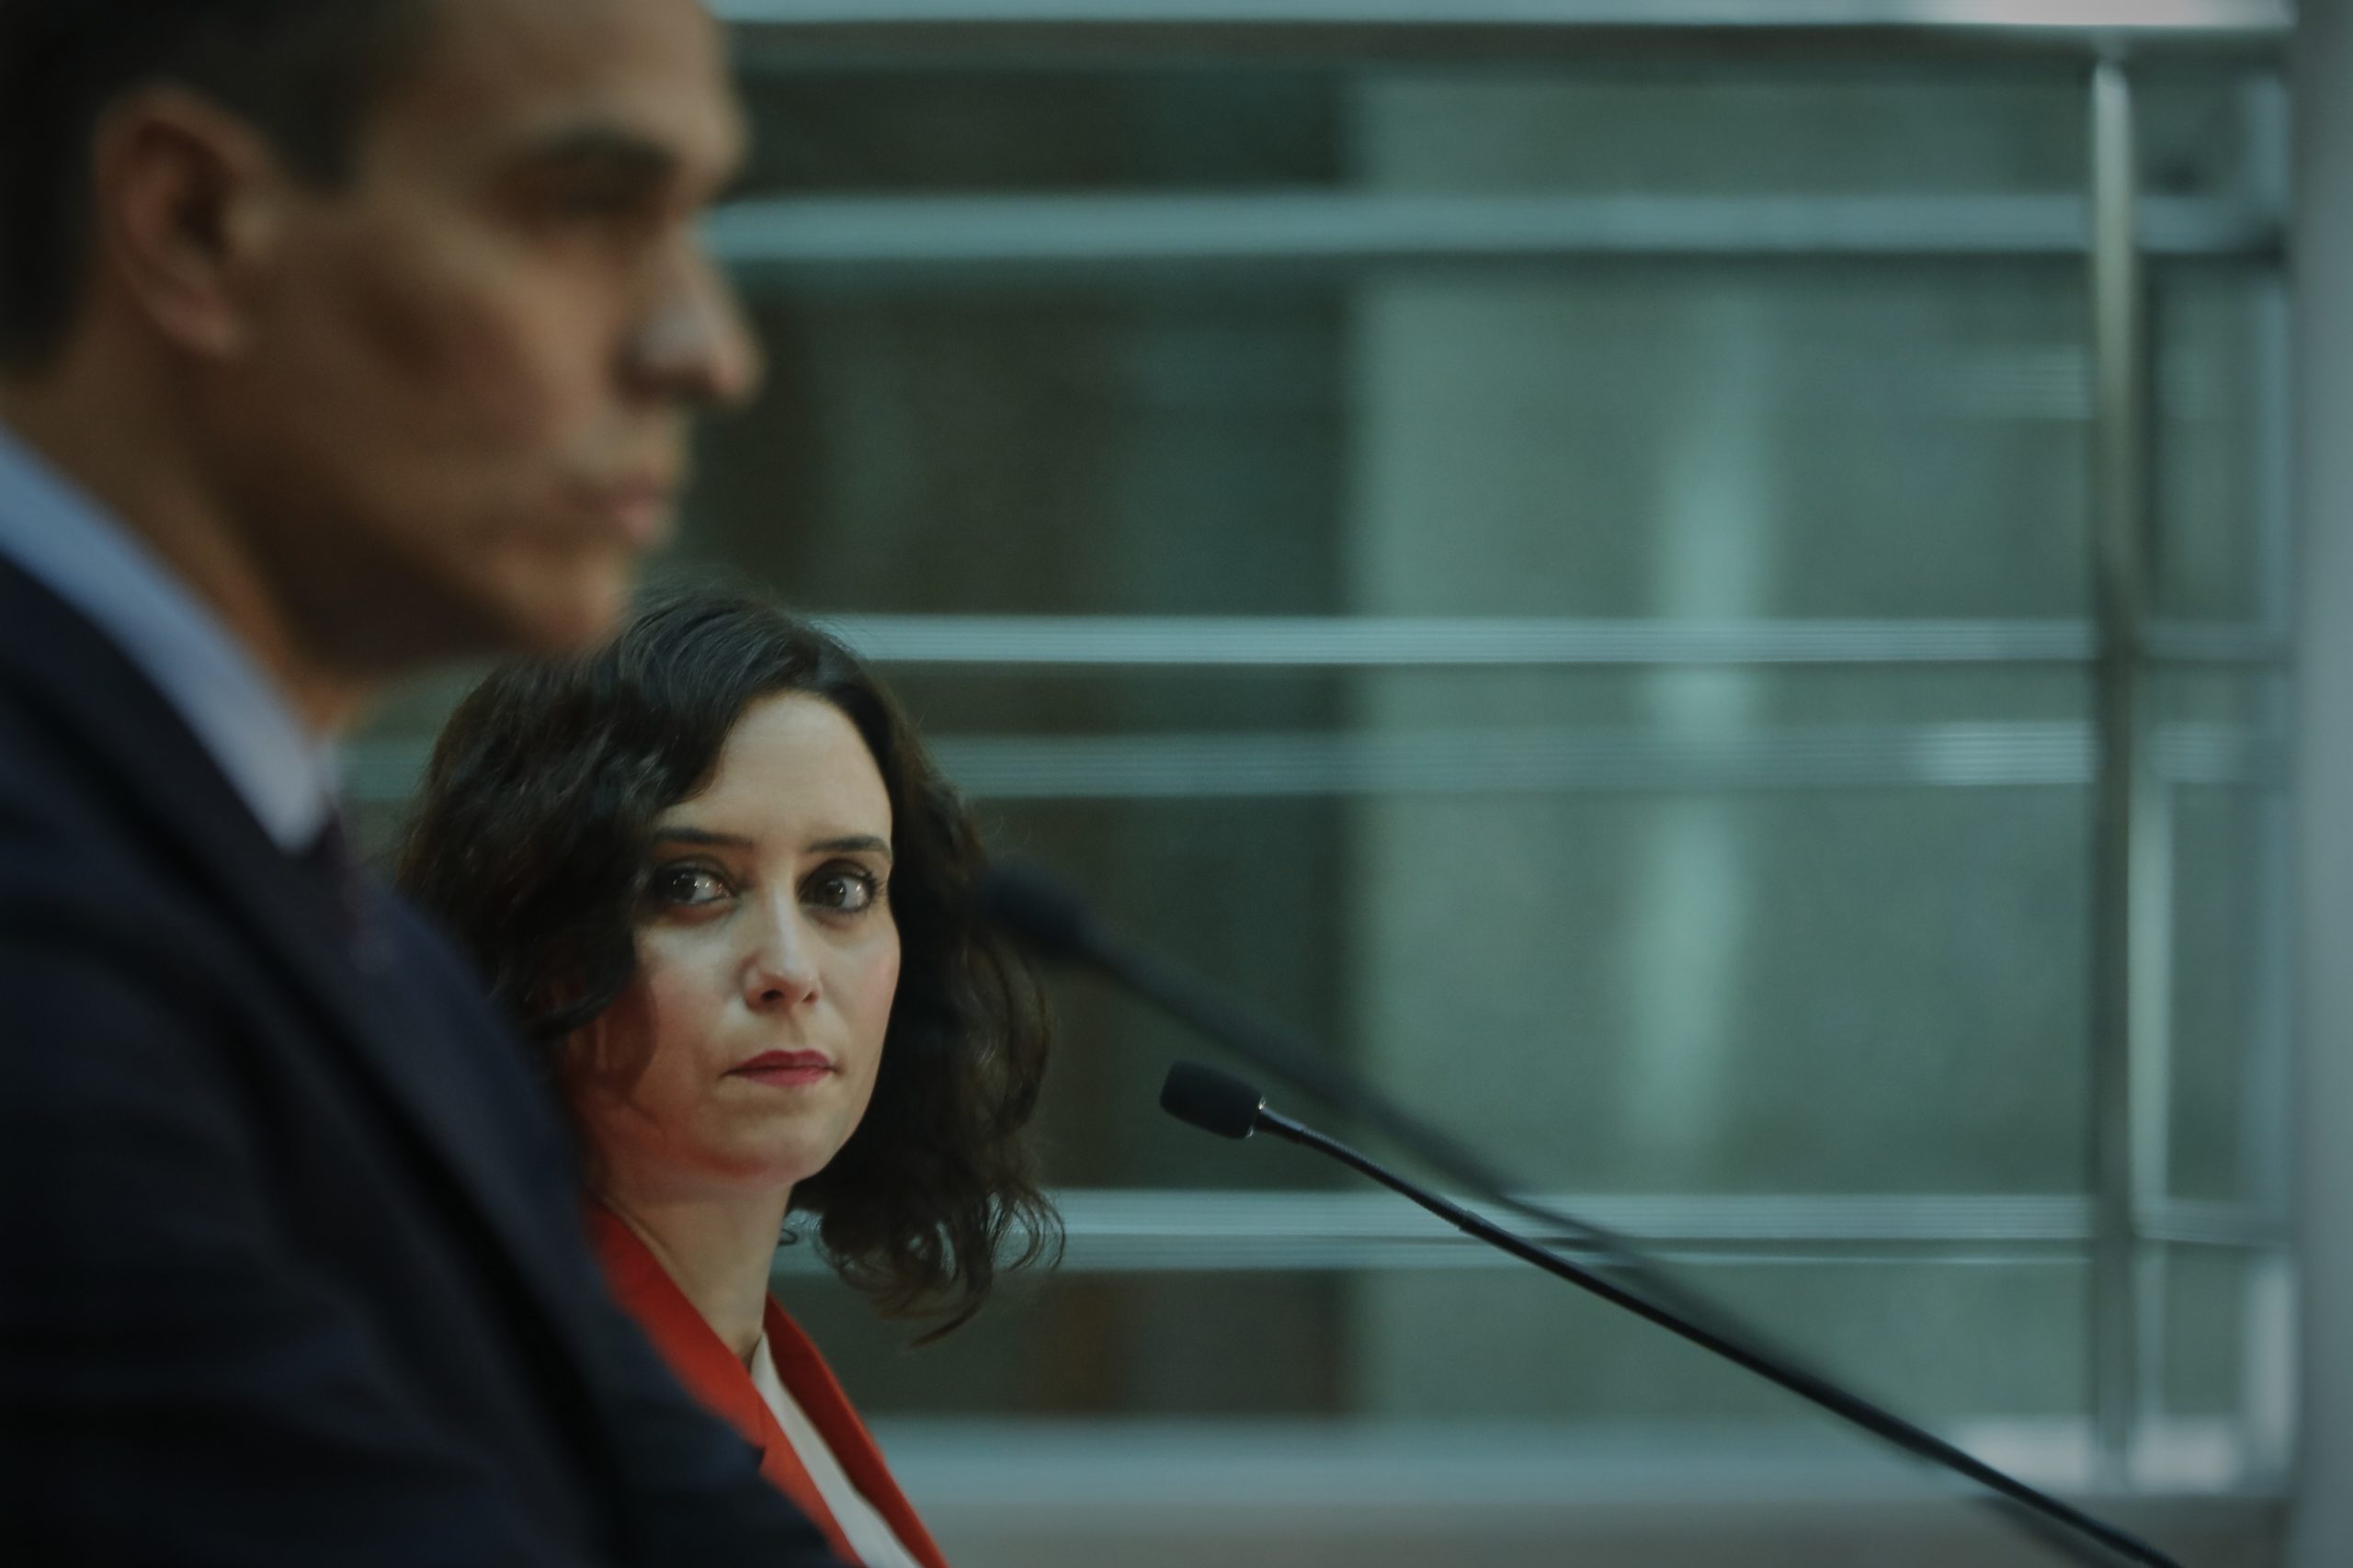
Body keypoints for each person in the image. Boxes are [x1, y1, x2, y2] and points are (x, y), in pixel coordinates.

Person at [0, 1, 845, 1562]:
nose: (706, 349)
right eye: (583, 209)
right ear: (194, 220)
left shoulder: (358, 938)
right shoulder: (43, 920)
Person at [396, 590, 1059, 1568]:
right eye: (691, 885)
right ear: (531, 938)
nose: (788, 967)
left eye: (840, 888)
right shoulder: (499, 1405)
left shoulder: (759, 1364)